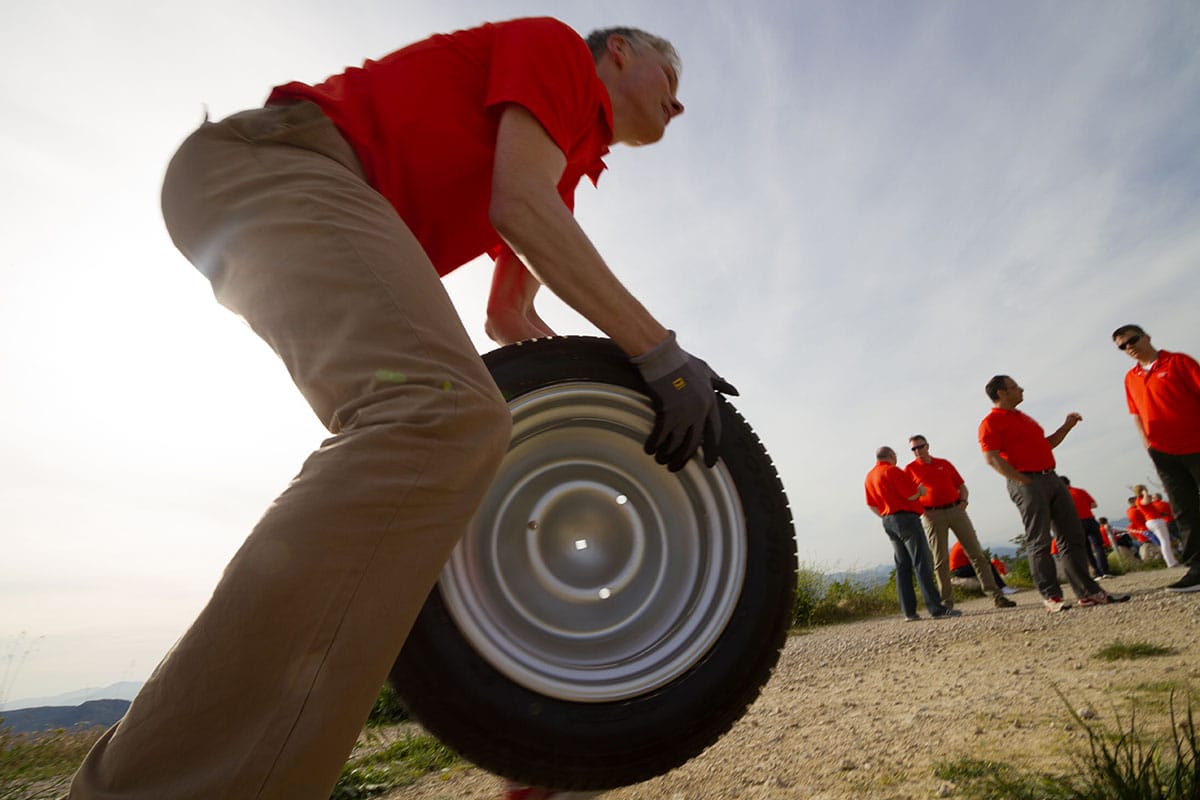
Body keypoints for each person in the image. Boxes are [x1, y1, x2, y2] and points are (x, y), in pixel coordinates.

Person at [69, 20, 733, 800]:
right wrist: (661, 355)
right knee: (438, 417)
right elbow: (519, 207)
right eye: (671, 76)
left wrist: (542, 726)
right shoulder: (557, 53)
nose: (677, 104)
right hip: (277, 163)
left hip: (291, 192)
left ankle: (536, 702)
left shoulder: (565, 159)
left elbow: (512, 323)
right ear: (619, 51)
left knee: (468, 434)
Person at [977, 376, 1128, 612]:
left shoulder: (1024, 418)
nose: (1021, 389)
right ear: (1001, 393)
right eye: (1015, 387)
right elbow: (991, 458)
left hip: (1052, 477)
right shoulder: (990, 422)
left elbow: (1045, 444)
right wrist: (1023, 480)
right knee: (1040, 540)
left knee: (1072, 536)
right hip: (1027, 482)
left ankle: (1089, 593)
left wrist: (1066, 427)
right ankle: (1051, 596)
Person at [1115, 324, 1200, 592]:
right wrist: (1148, 445)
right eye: (1122, 346)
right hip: (1163, 452)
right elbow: (1136, 413)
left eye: (1132, 340)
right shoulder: (1131, 378)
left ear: (1147, 337)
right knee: (1184, 510)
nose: (1129, 347)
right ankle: (1197, 568)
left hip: (1196, 443)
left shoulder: (1178, 362)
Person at [904, 435, 1016, 608]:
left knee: (976, 554)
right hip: (933, 516)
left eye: (920, 447)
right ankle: (946, 603)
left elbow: (961, 486)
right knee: (940, 560)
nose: (917, 451)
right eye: (913, 449)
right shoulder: (909, 470)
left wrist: (964, 501)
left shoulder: (944, 463)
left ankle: (996, 596)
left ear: (927, 446)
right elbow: (908, 496)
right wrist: (923, 511)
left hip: (956, 510)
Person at [864, 446, 961, 621]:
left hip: (888, 520)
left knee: (902, 566)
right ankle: (936, 609)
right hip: (906, 519)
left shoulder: (869, 477)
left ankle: (909, 612)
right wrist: (921, 492)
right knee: (922, 562)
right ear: (891, 456)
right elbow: (910, 495)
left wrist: (887, 516)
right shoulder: (893, 471)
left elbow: (871, 504)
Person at [1061, 476, 1114, 578]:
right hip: (1090, 519)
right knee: (1098, 546)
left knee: (1086, 548)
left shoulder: (1063, 495)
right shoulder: (1080, 491)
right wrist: (1084, 506)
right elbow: (1094, 505)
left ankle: (1097, 572)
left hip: (1076, 523)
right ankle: (1105, 571)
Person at [948, 540, 1016, 593]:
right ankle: (1002, 587)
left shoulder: (960, 543)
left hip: (959, 569)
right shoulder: (965, 544)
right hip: (960, 570)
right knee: (987, 565)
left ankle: (999, 587)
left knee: (986, 565)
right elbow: (976, 557)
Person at [1135, 483, 1179, 566]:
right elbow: (1146, 501)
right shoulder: (1141, 500)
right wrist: (1145, 493)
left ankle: (1171, 560)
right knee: (1164, 541)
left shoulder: (1139, 501)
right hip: (1155, 521)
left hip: (1153, 521)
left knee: (1164, 541)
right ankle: (1170, 562)